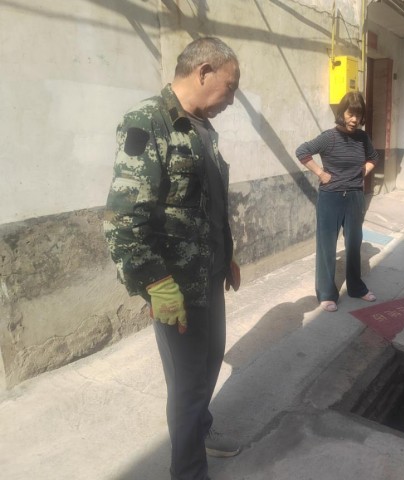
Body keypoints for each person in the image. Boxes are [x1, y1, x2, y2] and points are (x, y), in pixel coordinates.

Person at [104, 37, 242, 480]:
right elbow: (125, 218)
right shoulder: (149, 121)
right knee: (187, 384)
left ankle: (200, 431)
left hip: (210, 274)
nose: (231, 100)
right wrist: (156, 283)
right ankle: (188, 471)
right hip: (176, 287)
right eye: (230, 87)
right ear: (204, 72)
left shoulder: (204, 129)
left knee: (209, 364)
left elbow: (210, 201)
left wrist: (227, 254)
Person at [295, 91, 379, 312]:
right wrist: (320, 173)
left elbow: (373, 158)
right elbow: (302, 151)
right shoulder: (329, 137)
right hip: (330, 198)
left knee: (354, 244)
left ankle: (356, 288)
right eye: (351, 114)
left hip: (355, 197)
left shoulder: (363, 138)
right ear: (342, 112)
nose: (354, 119)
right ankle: (326, 293)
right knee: (326, 246)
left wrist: (363, 172)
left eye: (358, 115)